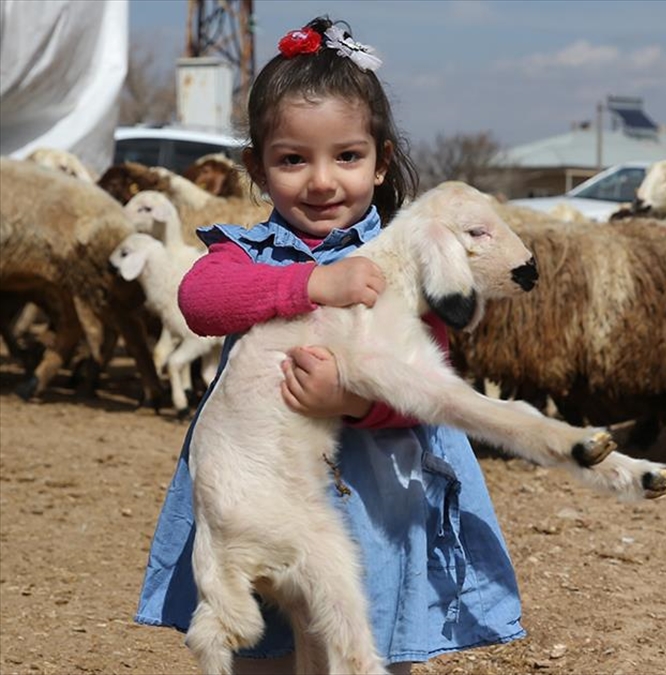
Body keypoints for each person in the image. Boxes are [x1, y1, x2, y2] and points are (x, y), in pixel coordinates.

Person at [134, 15, 524, 675]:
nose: (321, 181)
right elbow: (201, 301)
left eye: (347, 156)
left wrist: (352, 400)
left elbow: (427, 383)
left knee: (366, 637)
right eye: (292, 159)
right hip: (263, 487)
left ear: (380, 164)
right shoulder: (246, 253)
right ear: (257, 167)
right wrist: (310, 282)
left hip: (377, 499)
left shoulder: (403, 264)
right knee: (264, 651)